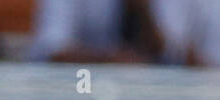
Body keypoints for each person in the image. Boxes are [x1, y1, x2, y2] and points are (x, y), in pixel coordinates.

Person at [27, 0, 165, 63]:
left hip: (113, 91)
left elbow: (163, 53)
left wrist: (142, 9)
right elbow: (53, 51)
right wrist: (110, 60)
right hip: (59, 93)